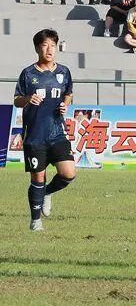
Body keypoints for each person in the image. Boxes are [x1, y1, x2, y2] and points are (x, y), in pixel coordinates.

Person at [13, 29, 76, 231]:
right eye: (45, 45)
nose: (49, 50)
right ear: (37, 48)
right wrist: (27, 99)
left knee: (68, 173)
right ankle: (35, 222)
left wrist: (66, 104)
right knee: (37, 178)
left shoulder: (64, 72)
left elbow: (68, 94)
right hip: (35, 135)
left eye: (53, 46)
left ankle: (47, 192)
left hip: (57, 132)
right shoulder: (28, 73)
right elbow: (16, 100)